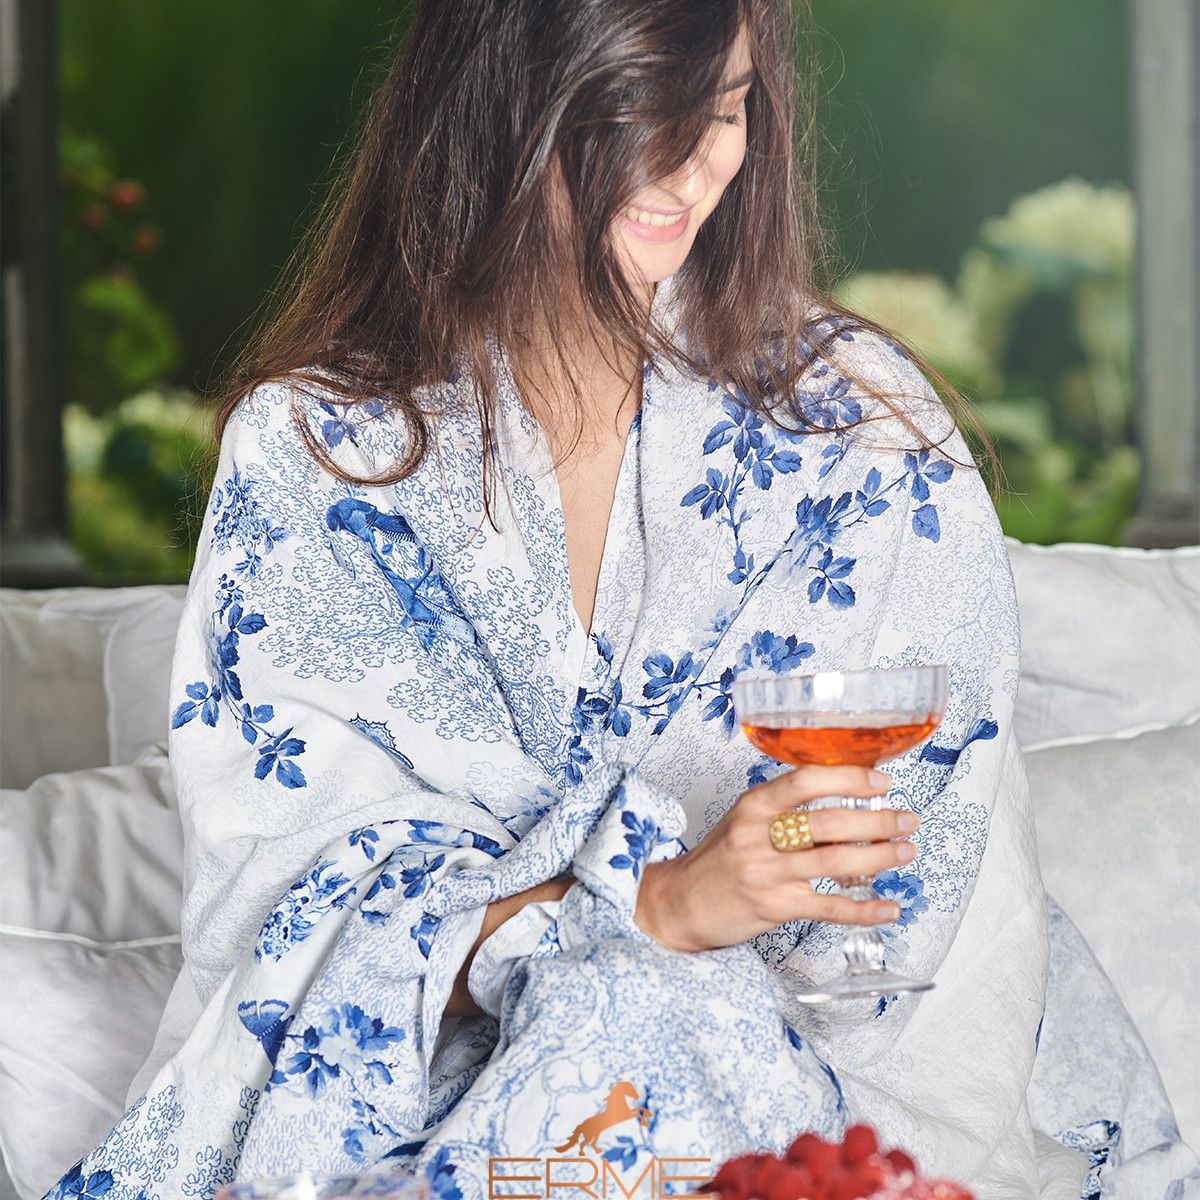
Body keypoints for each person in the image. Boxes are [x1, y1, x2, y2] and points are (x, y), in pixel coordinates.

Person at [44, 3, 1196, 1199]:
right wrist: (653, 903)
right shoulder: (324, 454)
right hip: (412, 1109)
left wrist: (710, 924)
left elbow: (917, 895)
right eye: (649, 106)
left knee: (655, 1016)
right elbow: (283, 893)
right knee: (632, 1001)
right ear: (502, 100)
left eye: (732, 104)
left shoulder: (861, 436)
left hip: (815, 1089)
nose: (697, 163)